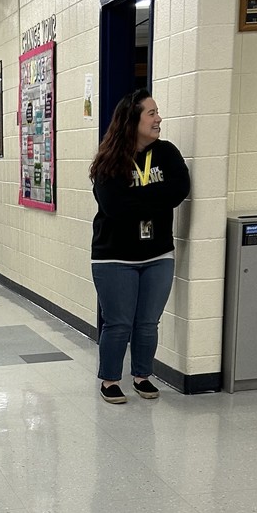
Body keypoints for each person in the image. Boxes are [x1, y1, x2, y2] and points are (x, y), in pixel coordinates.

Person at [90, 89, 190, 404]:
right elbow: (114, 206)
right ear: (132, 120)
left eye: (157, 112)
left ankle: (142, 376)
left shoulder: (167, 153)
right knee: (119, 323)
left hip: (158, 254)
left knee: (148, 323)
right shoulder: (109, 159)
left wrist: (138, 198)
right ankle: (110, 380)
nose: (158, 118)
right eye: (152, 113)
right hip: (114, 257)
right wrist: (157, 199)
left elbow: (180, 189)